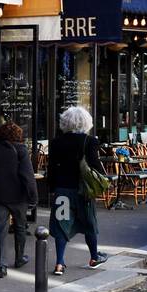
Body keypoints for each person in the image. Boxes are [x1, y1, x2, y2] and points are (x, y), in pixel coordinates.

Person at [47, 105, 108, 275]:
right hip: (83, 190)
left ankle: (59, 263)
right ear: (86, 122)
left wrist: (52, 188)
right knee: (89, 223)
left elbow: (51, 168)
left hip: (62, 190)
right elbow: (95, 165)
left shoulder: (56, 142)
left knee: (61, 225)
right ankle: (94, 257)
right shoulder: (90, 141)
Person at [0, 122, 38, 277]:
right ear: (17, 135)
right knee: (20, 228)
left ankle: (2, 266)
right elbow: (28, 176)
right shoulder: (21, 149)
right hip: (18, 197)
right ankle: (19, 258)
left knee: (1, 230)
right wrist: (33, 197)